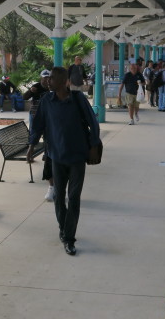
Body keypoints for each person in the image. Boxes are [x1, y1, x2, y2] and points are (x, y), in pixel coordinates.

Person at [27, 67, 101, 256]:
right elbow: (38, 124)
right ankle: (64, 229)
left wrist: (93, 145)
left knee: (74, 198)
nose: (48, 81)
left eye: (51, 78)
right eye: (48, 78)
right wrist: (32, 146)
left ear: (63, 81)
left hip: (77, 156)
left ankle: (69, 238)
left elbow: (93, 122)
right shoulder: (46, 101)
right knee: (59, 198)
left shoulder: (77, 99)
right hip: (56, 157)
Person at [23, 69, 54, 201]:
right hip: (35, 115)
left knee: (47, 137)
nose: (46, 80)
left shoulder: (52, 87)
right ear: (41, 78)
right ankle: (36, 151)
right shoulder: (36, 86)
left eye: (48, 78)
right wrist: (30, 91)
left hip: (48, 117)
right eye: (44, 78)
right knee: (34, 132)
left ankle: (46, 154)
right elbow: (24, 97)